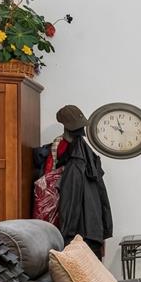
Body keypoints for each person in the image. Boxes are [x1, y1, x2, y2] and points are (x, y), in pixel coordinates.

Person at [55, 105, 113, 258]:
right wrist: (104, 228)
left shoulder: (76, 159)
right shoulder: (86, 154)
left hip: (80, 233)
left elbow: (70, 200)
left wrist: (65, 236)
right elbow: (101, 195)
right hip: (93, 230)